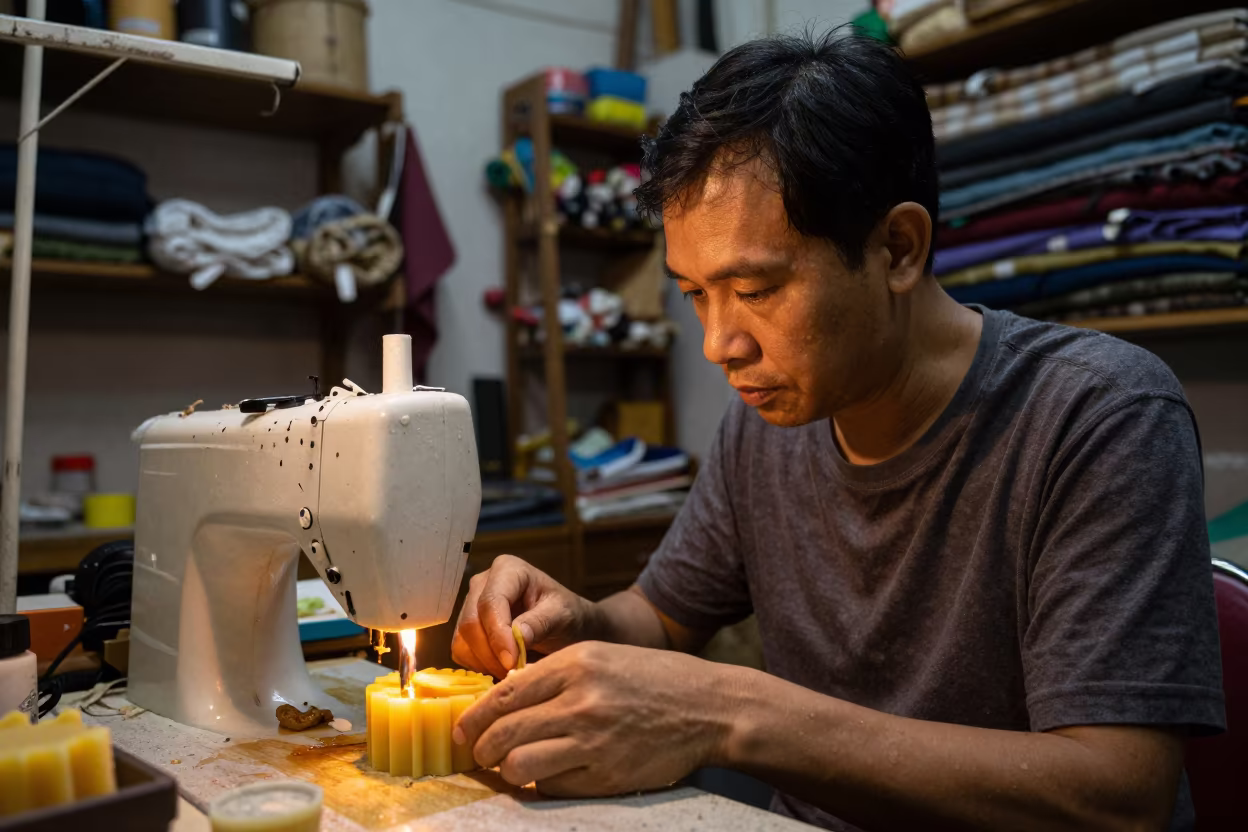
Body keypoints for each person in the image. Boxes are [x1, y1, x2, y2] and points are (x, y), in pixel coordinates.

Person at [451, 29, 1225, 832]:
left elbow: (1118, 795)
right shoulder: (768, 422)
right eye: (694, 294)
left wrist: (730, 710)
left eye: (754, 288)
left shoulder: (1098, 416)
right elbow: (664, 615)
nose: (721, 344)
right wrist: (580, 620)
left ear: (898, 248)